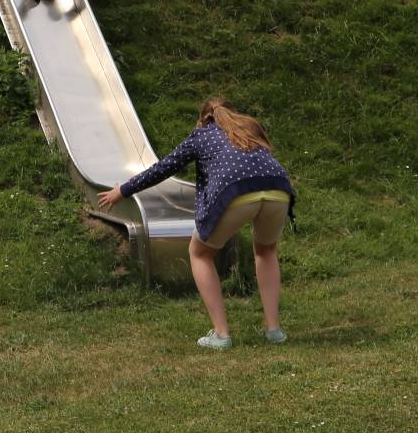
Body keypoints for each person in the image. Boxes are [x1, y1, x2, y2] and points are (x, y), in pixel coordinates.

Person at [97, 98, 295, 350]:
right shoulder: (249, 126)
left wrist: (122, 191)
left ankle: (221, 335)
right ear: (232, 113)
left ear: (203, 118)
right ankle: (274, 330)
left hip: (235, 190)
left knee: (199, 253)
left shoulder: (201, 134)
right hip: (278, 187)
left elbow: (164, 168)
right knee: (266, 251)